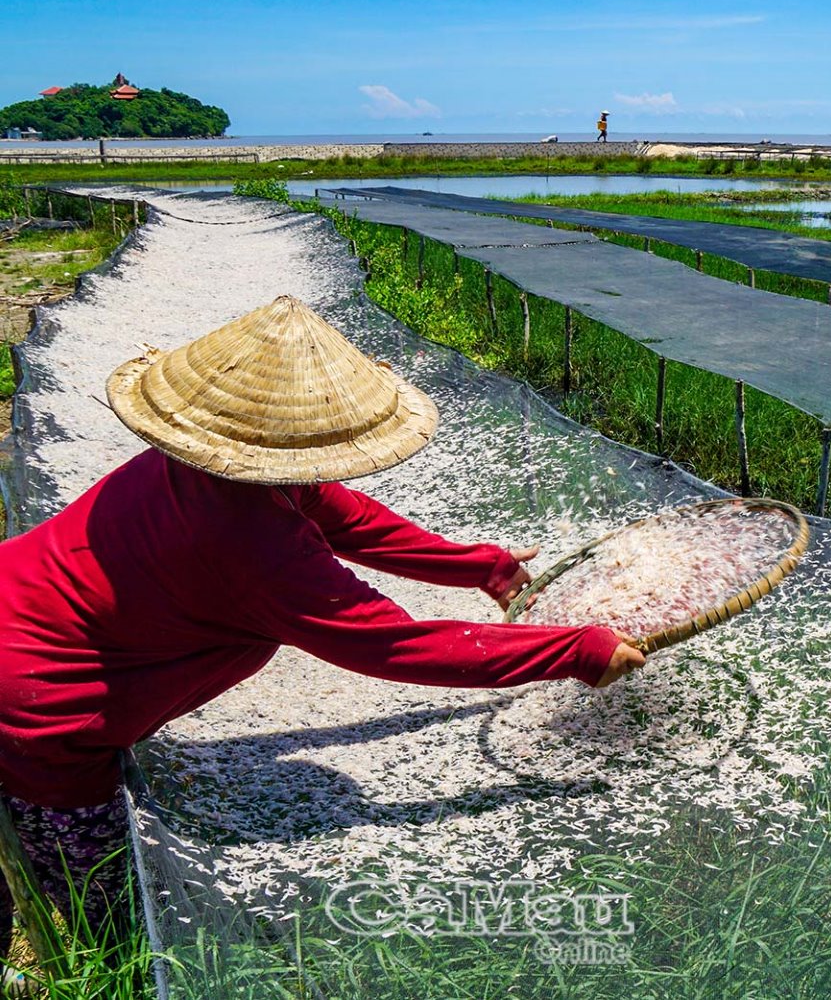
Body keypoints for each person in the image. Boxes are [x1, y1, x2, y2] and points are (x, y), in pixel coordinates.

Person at [0, 295, 644, 952]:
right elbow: (395, 645)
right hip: (35, 707)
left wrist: (484, 566)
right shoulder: (252, 544)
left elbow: (352, 519)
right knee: (115, 920)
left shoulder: (214, 462)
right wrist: (576, 650)